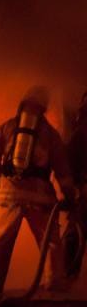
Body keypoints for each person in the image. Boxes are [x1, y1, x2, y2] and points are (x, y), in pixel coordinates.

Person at [0, 86, 76, 295]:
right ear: (43, 109)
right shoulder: (50, 134)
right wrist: (68, 196)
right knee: (49, 242)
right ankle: (55, 285)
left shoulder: (8, 127)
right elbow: (62, 169)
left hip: (8, 193)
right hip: (39, 196)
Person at [64, 92, 87, 278]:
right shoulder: (80, 136)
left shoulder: (79, 134)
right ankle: (68, 277)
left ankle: (68, 277)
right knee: (75, 234)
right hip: (83, 195)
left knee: (75, 234)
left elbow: (68, 164)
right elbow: (69, 165)